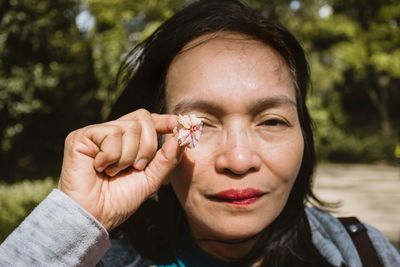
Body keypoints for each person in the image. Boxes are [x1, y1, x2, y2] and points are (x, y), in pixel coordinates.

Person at [0, 0, 399, 266]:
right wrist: (73, 222)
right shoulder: (91, 258)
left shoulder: (365, 252)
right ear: (154, 136)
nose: (239, 161)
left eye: (272, 121)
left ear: (304, 136)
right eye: (198, 125)